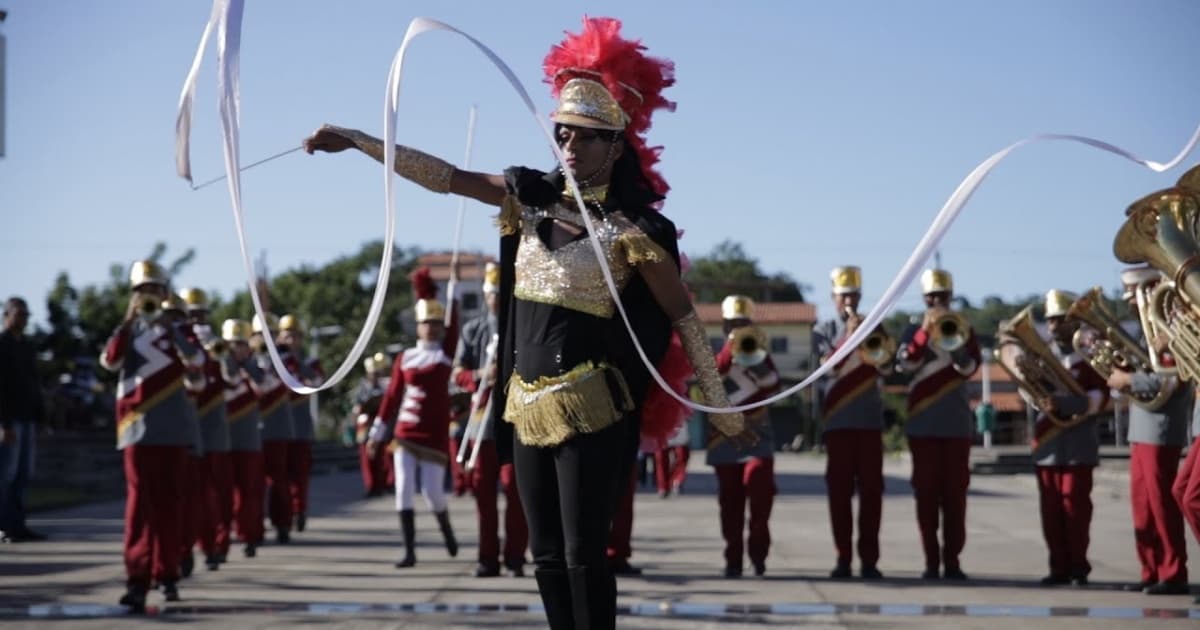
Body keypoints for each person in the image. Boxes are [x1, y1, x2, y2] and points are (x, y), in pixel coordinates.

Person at [304, 16, 748, 629]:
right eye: (563, 134)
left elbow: (681, 317)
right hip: (524, 406)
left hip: (592, 406)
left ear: (615, 146)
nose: (569, 146)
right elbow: (448, 178)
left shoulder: (634, 233)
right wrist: (361, 142)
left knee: (583, 554)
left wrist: (720, 407)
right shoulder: (527, 201)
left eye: (585, 137)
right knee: (543, 558)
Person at [99, 261, 202, 610]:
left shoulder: (180, 330)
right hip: (137, 428)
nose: (149, 296)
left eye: (155, 290)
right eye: (142, 291)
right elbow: (109, 362)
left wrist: (170, 327)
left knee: (170, 505)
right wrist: (129, 321)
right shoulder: (126, 333)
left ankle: (168, 573)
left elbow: (197, 360)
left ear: (165, 293)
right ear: (133, 295)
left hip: (172, 429)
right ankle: (137, 579)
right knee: (139, 508)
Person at [1106, 267, 1191, 595]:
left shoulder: (1172, 331)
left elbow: (1170, 379)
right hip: (1140, 426)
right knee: (1142, 505)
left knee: (1161, 503)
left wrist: (1128, 381)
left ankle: (1172, 572)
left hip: (1161, 426)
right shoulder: (1146, 332)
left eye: (1136, 292)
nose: (1130, 300)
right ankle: (1151, 569)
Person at [369, 267, 460, 568]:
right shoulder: (405, 357)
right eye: (426, 323)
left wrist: (455, 288)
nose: (431, 328)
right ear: (418, 326)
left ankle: (445, 528)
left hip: (433, 433)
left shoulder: (445, 354)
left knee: (432, 492)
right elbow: (391, 397)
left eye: (436, 323)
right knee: (403, 487)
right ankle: (409, 551)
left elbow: (455, 324)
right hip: (405, 433)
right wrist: (376, 434)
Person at [898, 268, 981, 580]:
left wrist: (955, 340)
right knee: (926, 497)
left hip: (956, 426)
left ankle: (953, 561)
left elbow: (969, 366)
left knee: (956, 498)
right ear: (923, 299)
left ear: (951, 298)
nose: (936, 302)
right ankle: (931, 562)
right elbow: (905, 363)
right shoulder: (911, 331)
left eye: (942, 297)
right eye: (931, 297)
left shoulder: (965, 329)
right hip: (922, 425)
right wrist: (923, 333)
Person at [1025, 290, 1108, 587]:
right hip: (1047, 443)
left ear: (1074, 323)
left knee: (1075, 508)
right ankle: (1057, 567)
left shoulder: (1089, 358)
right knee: (1050, 510)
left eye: (1060, 320)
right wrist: (1039, 399)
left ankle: (1078, 567)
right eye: (1050, 320)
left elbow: (1100, 398)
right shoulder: (1040, 356)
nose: (1054, 326)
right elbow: (1026, 389)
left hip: (1077, 444)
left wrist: (1063, 403)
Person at [453, 262, 529, 578]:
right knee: (482, 491)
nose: (494, 298)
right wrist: (481, 375)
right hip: (482, 421)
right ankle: (487, 557)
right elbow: (457, 374)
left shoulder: (523, 326)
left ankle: (515, 556)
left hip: (516, 419)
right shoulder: (472, 330)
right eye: (490, 292)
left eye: (499, 292)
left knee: (516, 491)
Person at [812, 266, 887, 580]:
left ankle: (869, 561)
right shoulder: (823, 330)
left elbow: (885, 363)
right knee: (839, 495)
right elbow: (828, 368)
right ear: (833, 298)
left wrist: (864, 332)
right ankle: (842, 559)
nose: (849, 302)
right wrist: (849, 335)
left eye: (854, 295)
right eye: (844, 296)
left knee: (872, 494)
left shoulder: (875, 326)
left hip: (869, 422)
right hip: (838, 422)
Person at [705, 295, 779, 578]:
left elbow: (773, 384)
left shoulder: (760, 351)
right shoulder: (715, 351)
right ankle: (733, 558)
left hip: (758, 436)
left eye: (743, 323)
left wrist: (753, 360)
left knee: (761, 490)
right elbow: (709, 381)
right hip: (724, 438)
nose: (738, 328)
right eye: (733, 323)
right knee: (730, 504)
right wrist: (729, 350)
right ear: (724, 326)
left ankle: (758, 555)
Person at [179, 287, 235, 572]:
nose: (198, 321)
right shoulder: (177, 342)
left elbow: (233, 379)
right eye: (192, 315)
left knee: (218, 492)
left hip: (213, 424)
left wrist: (219, 352)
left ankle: (216, 545)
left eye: (201, 315)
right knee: (191, 494)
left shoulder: (215, 344)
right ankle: (189, 548)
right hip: (187, 425)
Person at [0, 297, 47, 543]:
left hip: (27, 417)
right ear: (7, 315)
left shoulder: (27, 346)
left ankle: (18, 525)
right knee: (6, 474)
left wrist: (41, 416)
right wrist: (3, 424)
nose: (23, 319)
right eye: (18, 314)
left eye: (26, 315)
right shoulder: (2, 344)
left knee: (23, 474)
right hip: (10, 420)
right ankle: (4, 525)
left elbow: (33, 383)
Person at [220, 319, 266, 559]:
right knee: (223, 494)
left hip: (248, 437)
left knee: (248, 492)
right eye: (232, 344)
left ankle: (249, 536)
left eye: (241, 343)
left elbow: (263, 384)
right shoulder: (219, 363)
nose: (237, 348)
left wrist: (248, 362)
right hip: (223, 437)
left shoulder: (256, 365)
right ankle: (221, 540)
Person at [248, 313, 296, 544]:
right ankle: (253, 528)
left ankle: (282, 523)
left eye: (270, 334)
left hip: (276, 426)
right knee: (253, 482)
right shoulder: (244, 358)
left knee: (279, 480)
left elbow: (272, 383)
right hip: (249, 427)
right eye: (260, 334)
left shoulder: (285, 360)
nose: (265, 339)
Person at [277, 314, 322, 533]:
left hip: (301, 426)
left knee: (300, 475)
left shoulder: (310, 362)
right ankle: (284, 517)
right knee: (281, 476)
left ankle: (300, 510)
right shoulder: (275, 361)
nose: (290, 340)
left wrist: (294, 360)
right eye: (286, 336)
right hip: (279, 427)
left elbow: (316, 380)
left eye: (294, 336)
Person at [353, 352, 390, 497]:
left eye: (377, 374)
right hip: (365, 424)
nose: (375, 377)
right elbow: (357, 405)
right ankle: (370, 485)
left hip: (377, 424)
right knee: (366, 457)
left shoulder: (382, 386)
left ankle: (381, 485)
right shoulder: (362, 387)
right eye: (372, 374)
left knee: (380, 455)